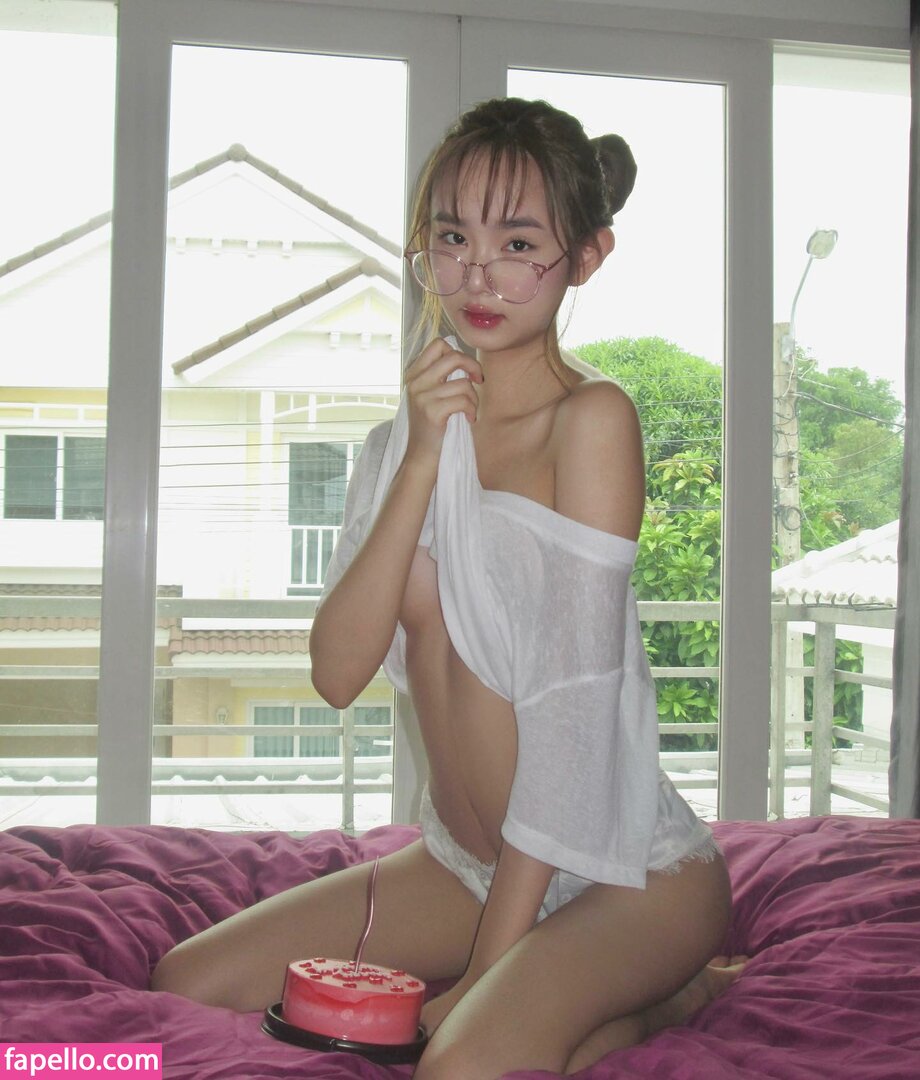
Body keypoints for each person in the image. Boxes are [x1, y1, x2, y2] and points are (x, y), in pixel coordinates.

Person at [151, 97, 743, 1078]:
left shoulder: (589, 421)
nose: (476, 275)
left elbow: (574, 723)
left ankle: (649, 983)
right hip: (465, 866)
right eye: (452, 237)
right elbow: (337, 672)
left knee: (459, 1061)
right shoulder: (398, 442)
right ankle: (638, 1005)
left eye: (519, 244)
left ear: (585, 257)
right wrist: (424, 451)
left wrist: (482, 973)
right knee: (189, 982)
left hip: (620, 871)